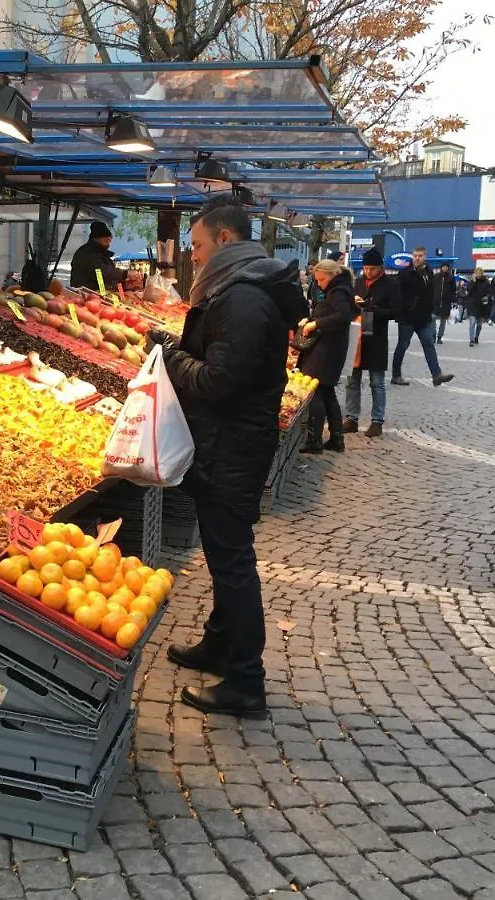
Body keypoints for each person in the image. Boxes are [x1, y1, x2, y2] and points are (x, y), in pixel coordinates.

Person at [150, 195, 308, 716]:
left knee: (232, 560)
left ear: (225, 239)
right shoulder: (242, 288)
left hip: (232, 444)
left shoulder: (241, 296)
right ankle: (219, 643)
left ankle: (245, 681)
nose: (192, 256)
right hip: (228, 442)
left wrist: (170, 357)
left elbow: (220, 382)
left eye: (196, 245)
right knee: (224, 556)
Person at [298, 259, 355, 454]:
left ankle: (314, 440)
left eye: (321, 279)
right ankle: (336, 439)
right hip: (332, 348)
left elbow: (343, 316)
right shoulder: (341, 289)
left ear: (332, 275)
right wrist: (312, 318)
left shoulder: (339, 291)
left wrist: (316, 324)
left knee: (316, 392)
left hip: (326, 349)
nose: (319, 283)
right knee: (327, 392)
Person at [343, 248, 399, 437]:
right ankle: (351, 418)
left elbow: (396, 311)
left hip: (376, 336)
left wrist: (372, 309)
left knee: (377, 381)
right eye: (366, 268)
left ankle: (377, 420)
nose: (368, 272)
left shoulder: (390, 284)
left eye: (372, 269)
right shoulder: (358, 282)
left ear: (380, 268)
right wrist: (355, 305)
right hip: (357, 335)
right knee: (352, 380)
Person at [391, 246, 454, 387]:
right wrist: (406, 307)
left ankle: (436, 374)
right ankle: (396, 374)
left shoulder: (428, 272)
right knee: (402, 345)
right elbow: (399, 293)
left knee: (428, 344)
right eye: (415, 256)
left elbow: (430, 292)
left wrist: (433, 308)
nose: (417, 258)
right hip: (408, 317)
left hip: (424, 317)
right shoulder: (405, 273)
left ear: (425, 256)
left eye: (420, 256)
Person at [69, 222, 127, 291]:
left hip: (99, 294)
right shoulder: (86, 253)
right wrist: (125, 274)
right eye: (104, 237)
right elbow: (102, 273)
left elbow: (104, 278)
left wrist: (123, 283)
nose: (109, 239)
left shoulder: (102, 253)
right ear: (95, 238)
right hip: (85, 295)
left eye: (109, 237)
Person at [466, 268, 491, 346]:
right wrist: (473, 281)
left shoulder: (486, 282)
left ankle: (476, 337)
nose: (478, 275)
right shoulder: (472, 281)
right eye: (477, 273)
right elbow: (469, 290)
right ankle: (471, 339)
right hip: (472, 304)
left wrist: (487, 296)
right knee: (472, 322)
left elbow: (490, 292)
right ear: (474, 274)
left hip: (481, 305)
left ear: (482, 273)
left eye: (480, 273)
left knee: (479, 324)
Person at [434, 262, 455, 344]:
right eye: (443, 267)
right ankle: (433, 335)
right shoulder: (436, 276)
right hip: (435, 302)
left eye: (446, 267)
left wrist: (452, 299)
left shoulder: (451, 278)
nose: (445, 268)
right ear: (441, 267)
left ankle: (439, 337)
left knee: (443, 321)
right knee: (432, 319)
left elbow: (453, 290)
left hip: (446, 302)